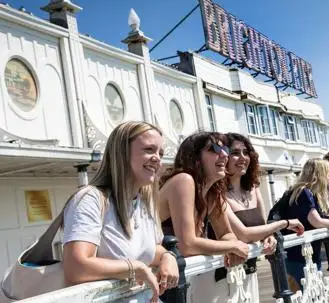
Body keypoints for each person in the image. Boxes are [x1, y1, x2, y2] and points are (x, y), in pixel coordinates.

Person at [62, 121, 179, 303]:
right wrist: (135, 268)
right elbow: (76, 267)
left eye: (160, 153)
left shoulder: (144, 202)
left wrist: (167, 256)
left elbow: (147, 249)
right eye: (149, 150)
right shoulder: (91, 199)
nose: (157, 158)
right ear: (122, 153)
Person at [158, 132, 249, 303]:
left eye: (225, 148)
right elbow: (186, 244)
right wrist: (232, 246)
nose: (224, 154)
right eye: (214, 148)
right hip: (160, 283)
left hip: (183, 279)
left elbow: (225, 234)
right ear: (195, 158)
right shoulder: (183, 180)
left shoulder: (213, 191)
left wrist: (232, 245)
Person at [221, 133, 304, 302]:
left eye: (246, 152)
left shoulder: (253, 187)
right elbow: (244, 234)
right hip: (222, 274)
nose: (243, 158)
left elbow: (262, 226)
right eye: (235, 153)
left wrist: (269, 236)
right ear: (223, 156)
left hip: (249, 269)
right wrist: (284, 224)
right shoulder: (217, 192)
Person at [284, 158, 329, 291]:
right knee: (307, 295)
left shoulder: (309, 193)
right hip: (300, 258)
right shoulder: (304, 192)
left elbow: (323, 218)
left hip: (305, 255)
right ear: (319, 176)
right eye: (327, 175)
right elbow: (316, 222)